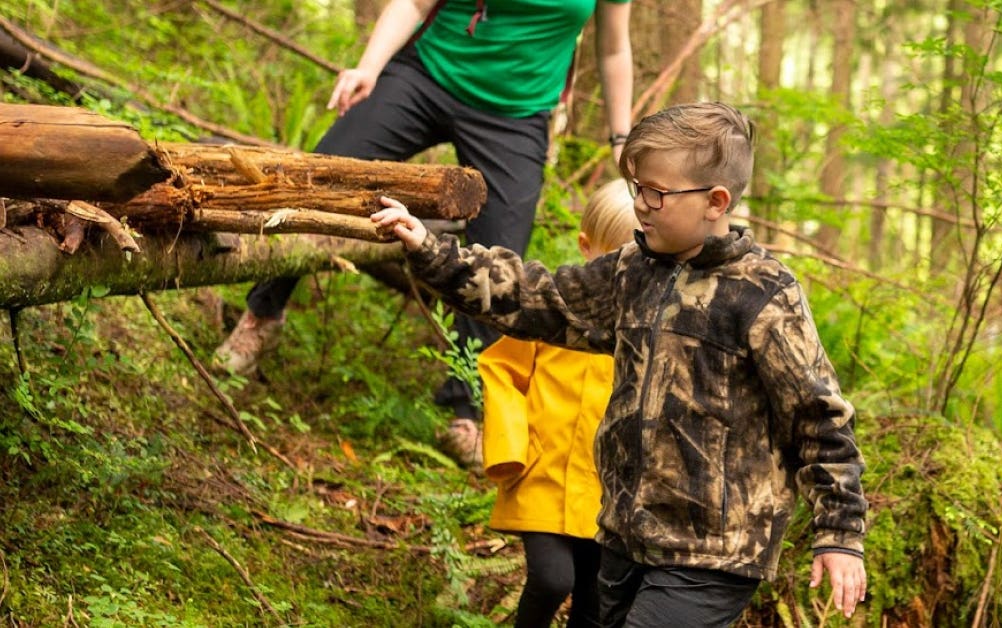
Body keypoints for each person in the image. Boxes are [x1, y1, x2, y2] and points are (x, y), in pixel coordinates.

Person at [371, 101, 868, 627]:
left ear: (716, 202)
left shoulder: (765, 294)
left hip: (714, 551)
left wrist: (839, 533)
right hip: (625, 537)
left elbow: (818, 417)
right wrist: (430, 248)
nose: (642, 205)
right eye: (636, 188)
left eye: (656, 191)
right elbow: (537, 297)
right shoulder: (632, 271)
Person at [213, 0, 634, 466]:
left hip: (517, 112)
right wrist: (368, 68)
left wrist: (621, 138)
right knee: (325, 174)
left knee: (495, 256)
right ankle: (262, 316)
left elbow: (613, 49)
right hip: (427, 77)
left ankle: (466, 407)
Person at [480, 180, 637, 628]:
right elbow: (501, 370)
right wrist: (512, 446)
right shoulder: (552, 308)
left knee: (595, 600)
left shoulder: (641, 326)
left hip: (607, 491)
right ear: (587, 247)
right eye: (613, 259)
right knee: (552, 580)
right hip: (542, 475)